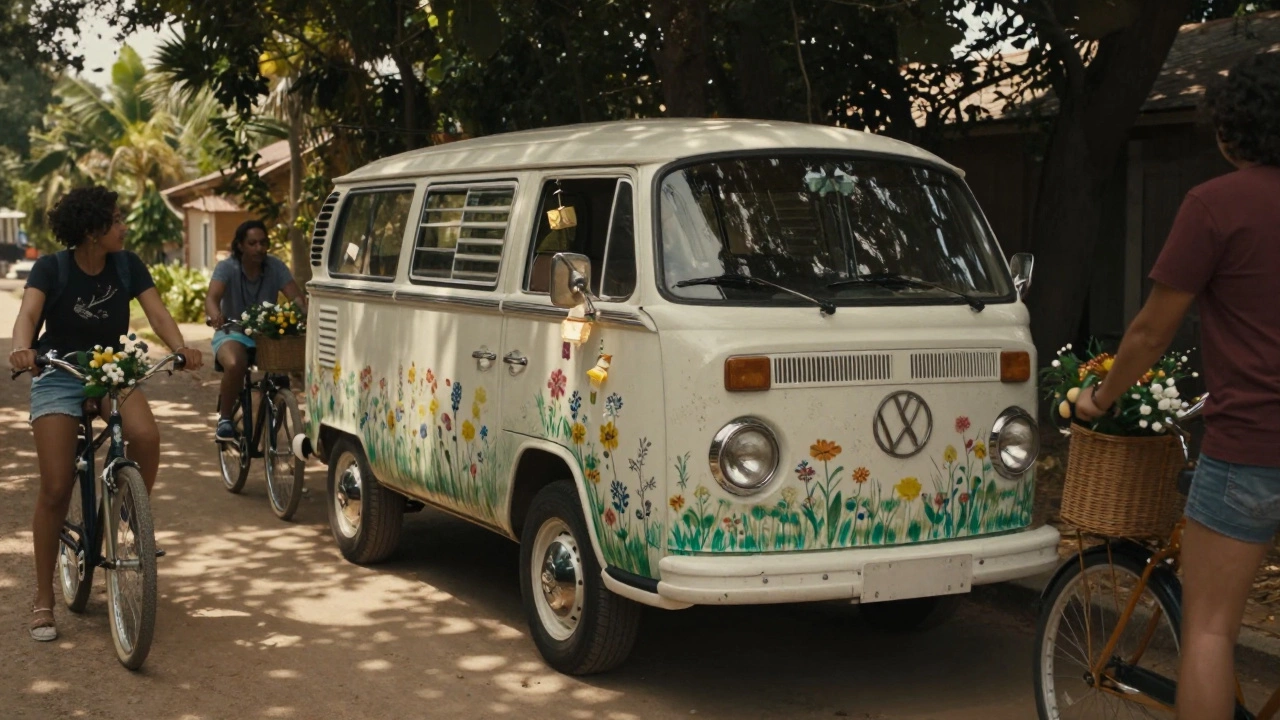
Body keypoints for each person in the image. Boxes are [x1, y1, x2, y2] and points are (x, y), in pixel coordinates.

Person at [1074, 50, 1280, 720]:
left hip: (1249, 446)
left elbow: (1149, 335)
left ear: (1231, 130)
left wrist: (1099, 400)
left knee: (1213, 628)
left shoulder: (1216, 205)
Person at [7, 185, 204, 642]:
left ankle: (131, 514)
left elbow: (157, 314)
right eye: (117, 220)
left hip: (114, 371)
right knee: (56, 486)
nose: (124, 226)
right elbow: (27, 315)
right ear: (93, 230)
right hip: (58, 371)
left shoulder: (127, 265)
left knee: (146, 436)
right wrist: (22, 349)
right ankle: (43, 598)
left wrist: (180, 348)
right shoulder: (51, 267)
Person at [205, 220, 306, 441]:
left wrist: (301, 312)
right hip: (232, 330)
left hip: (265, 335)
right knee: (235, 364)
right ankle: (225, 420)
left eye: (263, 243)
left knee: (280, 376)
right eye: (252, 243)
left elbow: (296, 298)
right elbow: (212, 298)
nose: (259, 248)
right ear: (240, 245)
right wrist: (215, 316)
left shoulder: (275, 267)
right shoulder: (227, 267)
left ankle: (275, 420)